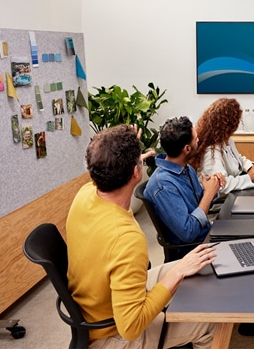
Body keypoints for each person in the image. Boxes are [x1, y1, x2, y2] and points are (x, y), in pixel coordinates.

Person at [66, 124, 217, 348]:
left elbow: (105, 165)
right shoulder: (127, 238)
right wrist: (177, 273)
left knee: (199, 268)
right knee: (209, 322)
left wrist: (125, 150)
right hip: (112, 335)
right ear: (136, 172)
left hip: (98, 300)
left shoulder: (85, 194)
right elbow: (131, 327)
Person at [145, 117, 225, 257]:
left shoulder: (186, 169)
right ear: (187, 149)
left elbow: (200, 204)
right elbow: (188, 232)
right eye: (196, 139)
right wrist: (208, 195)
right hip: (194, 252)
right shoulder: (163, 185)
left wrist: (212, 188)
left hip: (207, 236)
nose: (198, 140)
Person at [188, 98, 254, 195]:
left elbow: (238, 159)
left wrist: (252, 167)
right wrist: (249, 177)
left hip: (234, 194)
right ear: (230, 124)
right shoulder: (211, 151)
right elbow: (221, 185)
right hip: (221, 204)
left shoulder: (226, 141)